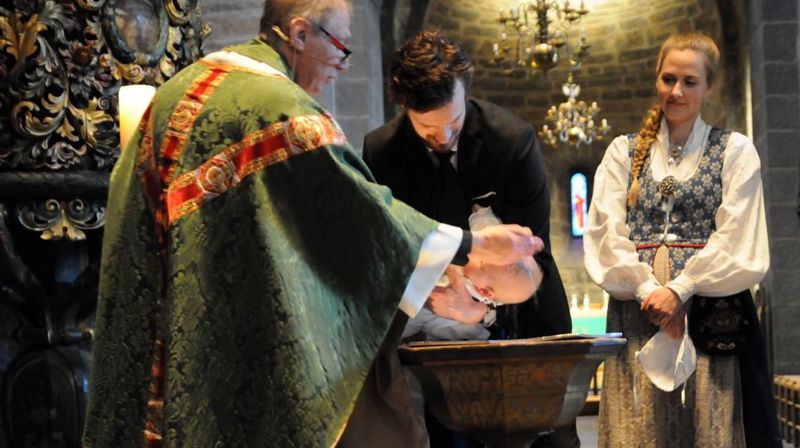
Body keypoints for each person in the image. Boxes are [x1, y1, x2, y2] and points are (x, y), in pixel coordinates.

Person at [81, 1, 543, 447]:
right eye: (341, 47)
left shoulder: (185, 88)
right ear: (300, 34)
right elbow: (361, 219)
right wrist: (470, 245)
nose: (344, 64)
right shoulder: (283, 111)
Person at [363, 31, 578, 448]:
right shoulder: (381, 152)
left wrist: (482, 308)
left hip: (525, 328)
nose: (443, 138)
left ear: (466, 92)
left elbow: (536, 261)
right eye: (426, 128)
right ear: (404, 108)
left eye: (454, 123)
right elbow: (390, 254)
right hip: (435, 344)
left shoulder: (511, 141)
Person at [583, 32, 782, 447]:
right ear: (657, 79)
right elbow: (604, 231)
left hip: (711, 312)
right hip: (639, 313)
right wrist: (645, 289)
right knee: (640, 427)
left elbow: (737, 236)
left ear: (710, 86)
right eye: (669, 78)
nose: (676, 91)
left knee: (709, 424)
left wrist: (681, 289)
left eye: (690, 81)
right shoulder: (623, 152)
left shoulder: (735, 151)